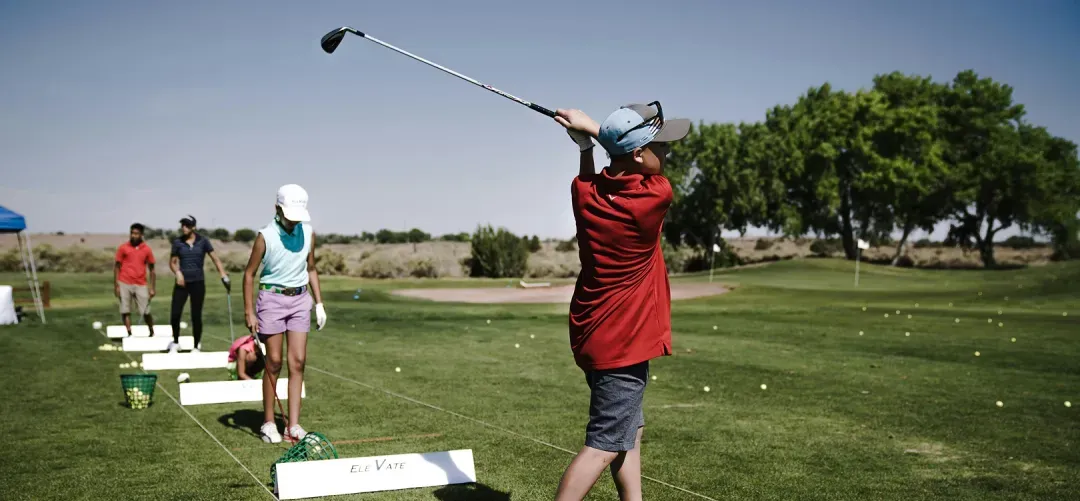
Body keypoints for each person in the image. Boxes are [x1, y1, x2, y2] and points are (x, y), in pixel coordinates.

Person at [552, 102, 690, 501]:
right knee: (604, 443)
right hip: (624, 342)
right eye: (660, 146)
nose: (667, 153)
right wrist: (592, 134)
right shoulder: (656, 196)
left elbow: (592, 178)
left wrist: (584, 149)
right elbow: (619, 167)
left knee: (629, 431)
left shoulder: (584, 192)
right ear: (637, 154)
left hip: (594, 333)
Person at [242, 184, 327, 444]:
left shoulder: (308, 232)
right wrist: (249, 312)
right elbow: (248, 274)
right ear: (277, 208)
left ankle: (293, 425)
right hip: (272, 300)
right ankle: (269, 422)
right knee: (274, 361)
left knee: (298, 361)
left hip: (301, 300)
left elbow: (310, 268)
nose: (293, 222)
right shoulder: (265, 236)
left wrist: (319, 303)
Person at [167, 215, 230, 353]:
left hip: (198, 282)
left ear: (193, 227)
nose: (184, 227)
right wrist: (178, 273)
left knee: (196, 315)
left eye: (187, 225)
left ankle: (196, 346)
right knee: (175, 314)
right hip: (181, 283)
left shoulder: (203, 241)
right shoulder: (177, 242)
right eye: (183, 225)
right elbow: (172, 263)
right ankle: (176, 342)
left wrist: (223, 275)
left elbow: (215, 259)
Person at [114, 223, 157, 337]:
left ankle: (151, 331)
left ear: (141, 235)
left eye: (136, 233)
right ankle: (129, 333)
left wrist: (152, 288)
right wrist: (117, 285)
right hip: (124, 282)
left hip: (141, 283)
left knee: (145, 311)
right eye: (132, 233)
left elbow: (152, 270)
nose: (133, 236)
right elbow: (117, 267)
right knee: (125, 310)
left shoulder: (146, 249)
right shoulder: (123, 248)